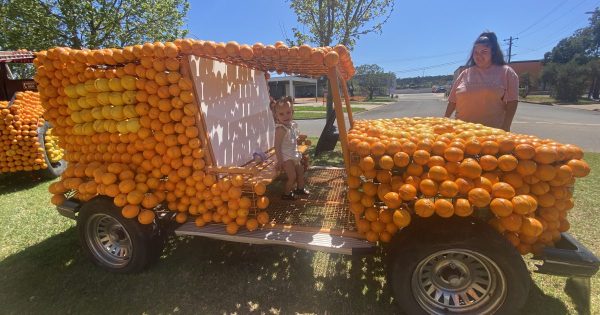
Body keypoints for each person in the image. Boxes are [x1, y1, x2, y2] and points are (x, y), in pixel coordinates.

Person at [445, 31, 519, 131]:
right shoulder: (465, 74)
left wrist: (506, 126)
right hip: (461, 133)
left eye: (484, 52)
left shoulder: (506, 72)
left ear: (493, 52)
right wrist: (444, 121)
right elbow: (453, 102)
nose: (478, 56)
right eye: (476, 52)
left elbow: (512, 102)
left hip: (491, 134)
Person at [270, 96, 309, 200]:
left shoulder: (291, 125)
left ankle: (300, 189)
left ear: (292, 112)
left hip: (294, 153)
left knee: (300, 172)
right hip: (286, 157)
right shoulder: (281, 129)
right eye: (281, 114)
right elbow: (277, 146)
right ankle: (287, 193)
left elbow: (293, 139)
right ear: (276, 116)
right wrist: (280, 161)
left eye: (288, 112)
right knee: (292, 176)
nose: (285, 116)